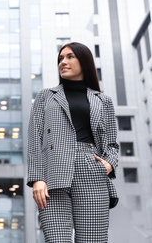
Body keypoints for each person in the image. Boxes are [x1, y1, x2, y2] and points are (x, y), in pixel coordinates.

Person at [27, 42, 119, 242]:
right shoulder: (45, 96)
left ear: (84, 61)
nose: (63, 62)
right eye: (60, 58)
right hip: (53, 174)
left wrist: (108, 165)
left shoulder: (103, 101)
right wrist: (37, 178)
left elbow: (112, 143)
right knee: (56, 239)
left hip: (91, 170)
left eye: (70, 57)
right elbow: (35, 140)